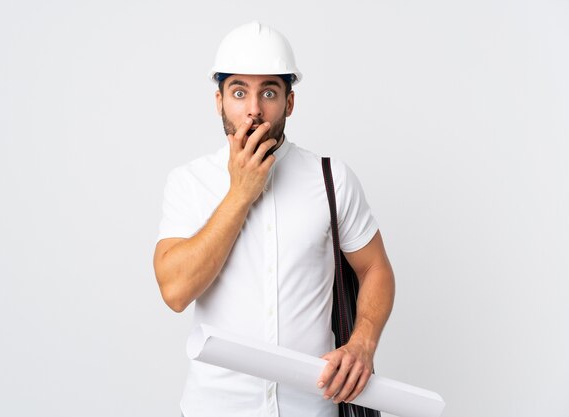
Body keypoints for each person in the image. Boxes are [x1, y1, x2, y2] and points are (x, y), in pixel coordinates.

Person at [153, 21, 395, 417]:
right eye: (238, 92)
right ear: (218, 101)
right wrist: (241, 193)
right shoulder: (188, 182)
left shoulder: (331, 178)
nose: (253, 109)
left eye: (269, 91)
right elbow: (176, 291)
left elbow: (375, 268)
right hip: (213, 409)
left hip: (312, 408)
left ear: (289, 102)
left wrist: (362, 342)